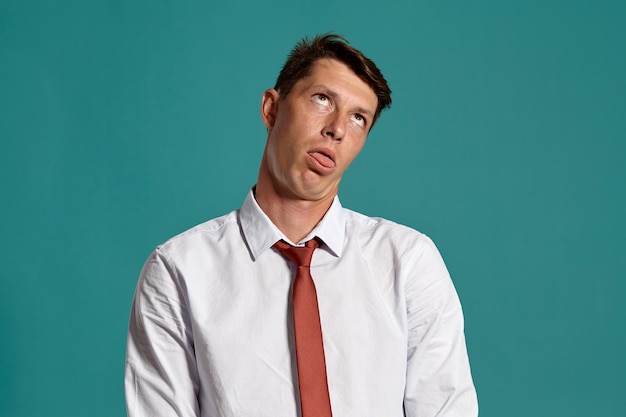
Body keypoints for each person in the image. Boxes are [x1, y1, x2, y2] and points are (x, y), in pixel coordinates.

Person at [125, 34, 478, 417]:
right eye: (322, 99)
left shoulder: (407, 262)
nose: (337, 128)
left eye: (359, 118)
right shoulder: (179, 270)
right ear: (271, 108)